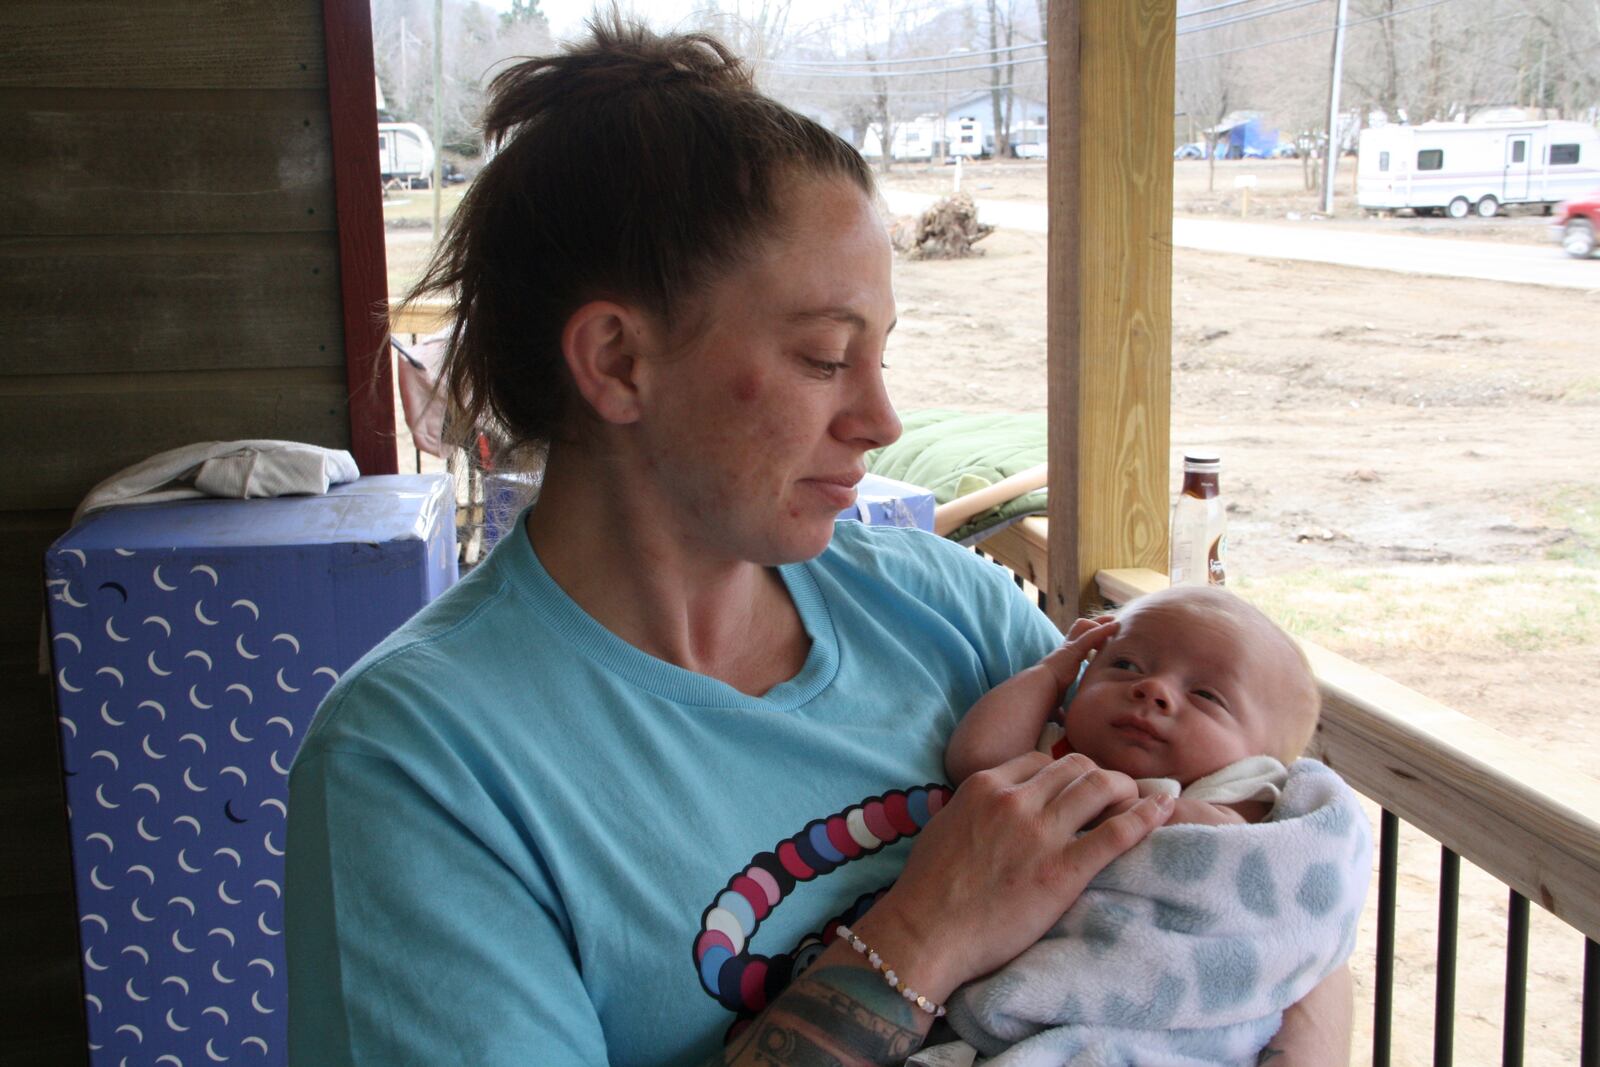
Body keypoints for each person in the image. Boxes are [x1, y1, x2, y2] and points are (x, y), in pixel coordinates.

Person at [285, 19, 1349, 1067]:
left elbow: (1249, 881)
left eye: (879, 353)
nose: (883, 420)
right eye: (824, 357)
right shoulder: (422, 761)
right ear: (615, 360)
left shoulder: (949, 611)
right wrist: (924, 930)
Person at [934, 586, 1371, 1064]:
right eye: (1125, 666)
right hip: (1045, 982)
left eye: (1206, 695)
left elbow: (1234, 849)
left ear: (1261, 754)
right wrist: (1050, 672)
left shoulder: (1234, 784)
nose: (1153, 690)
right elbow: (977, 760)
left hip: (1171, 997)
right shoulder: (1055, 747)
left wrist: (1126, 805)